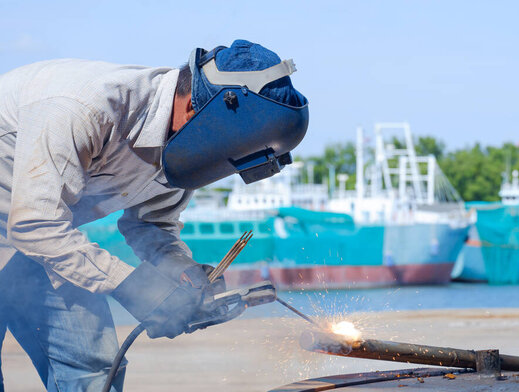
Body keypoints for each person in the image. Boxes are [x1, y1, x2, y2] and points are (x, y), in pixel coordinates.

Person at [0, 39, 308, 391]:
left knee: (94, 369)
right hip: (36, 228)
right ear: (194, 109)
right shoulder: (85, 108)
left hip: (45, 239)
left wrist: (182, 273)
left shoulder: (185, 147)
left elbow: (151, 223)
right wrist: (134, 287)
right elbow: (34, 224)